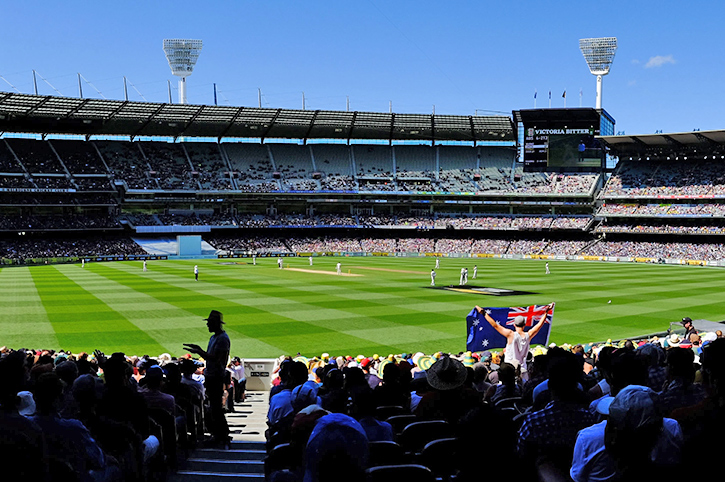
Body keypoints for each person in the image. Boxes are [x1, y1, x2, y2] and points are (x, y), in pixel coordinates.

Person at [183, 310, 231, 448]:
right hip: (211, 375)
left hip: (216, 376)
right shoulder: (215, 338)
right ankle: (220, 434)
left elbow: (217, 359)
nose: (207, 325)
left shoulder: (222, 339)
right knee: (214, 407)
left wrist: (199, 351)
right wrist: (199, 350)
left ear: (216, 324)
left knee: (216, 407)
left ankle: (221, 435)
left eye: (209, 323)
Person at [477, 302, 554, 382]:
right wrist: (546, 313)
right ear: (524, 325)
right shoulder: (529, 335)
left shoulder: (511, 334)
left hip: (509, 370)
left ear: (514, 324)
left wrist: (484, 313)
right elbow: (539, 325)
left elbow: (495, 325)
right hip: (523, 370)